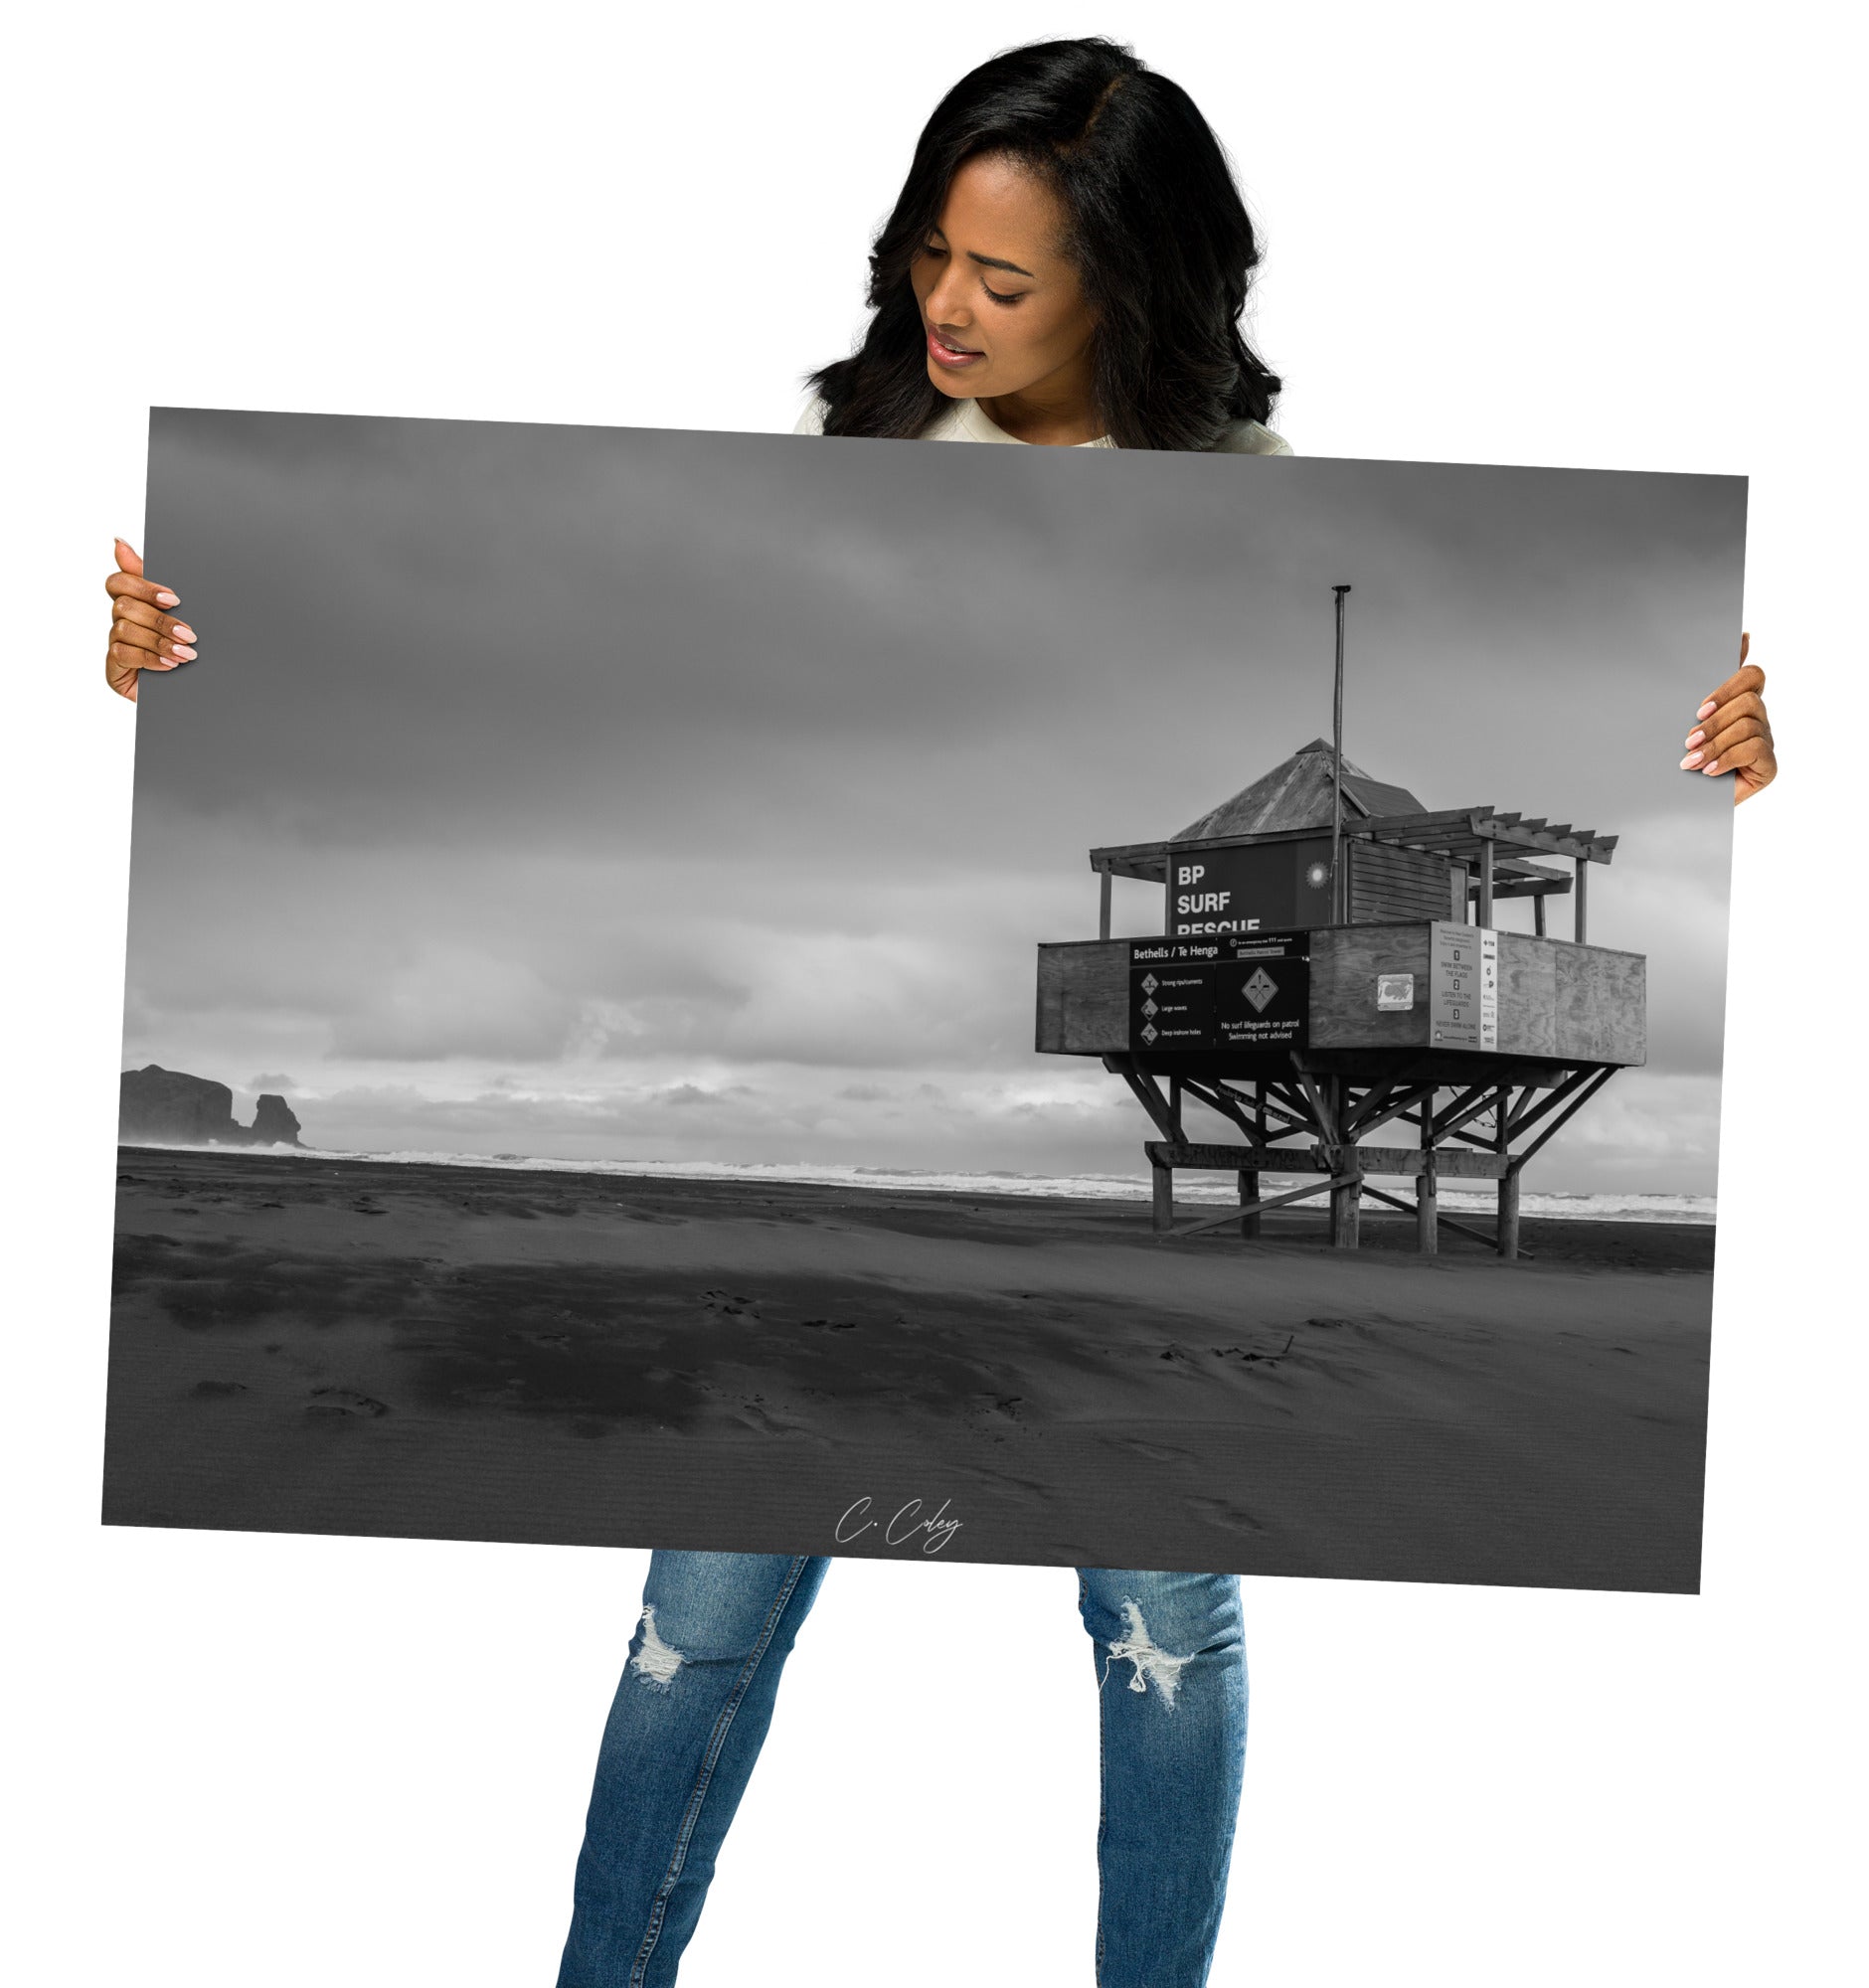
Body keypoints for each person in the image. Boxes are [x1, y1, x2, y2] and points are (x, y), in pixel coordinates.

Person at [99, 37, 1778, 1987]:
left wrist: (1736, 755)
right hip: (1111, 1114)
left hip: (1277, 1015)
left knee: (1163, 1618)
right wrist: (159, 657)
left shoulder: (1255, 499)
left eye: (1005, 278)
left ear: (1134, 286)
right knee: (702, 1606)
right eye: (927, 258)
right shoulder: (859, 468)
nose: (946, 310)